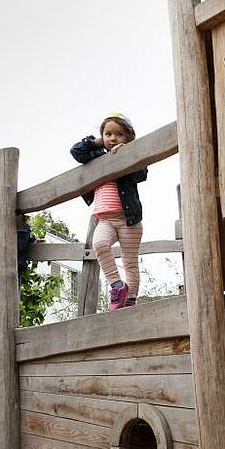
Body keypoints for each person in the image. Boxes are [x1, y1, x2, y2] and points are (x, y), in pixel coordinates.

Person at [70, 112, 147, 311]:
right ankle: (117, 286)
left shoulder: (131, 157)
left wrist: (127, 153)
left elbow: (142, 174)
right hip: (105, 219)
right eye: (108, 133)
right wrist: (96, 143)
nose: (113, 138)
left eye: (119, 134)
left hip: (128, 219)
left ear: (128, 137)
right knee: (100, 244)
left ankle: (130, 301)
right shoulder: (97, 157)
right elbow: (76, 151)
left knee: (130, 262)